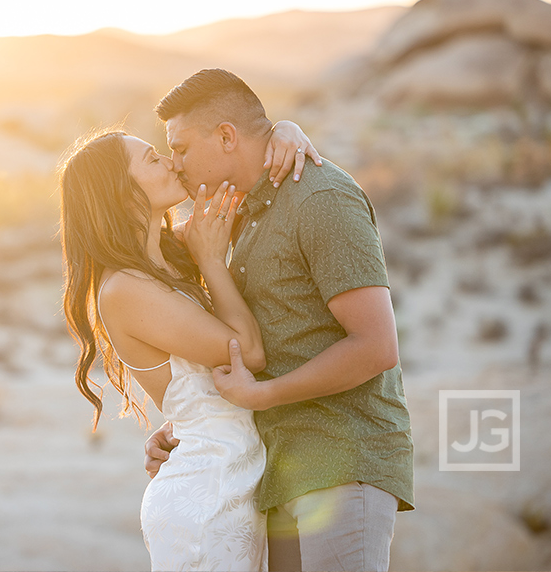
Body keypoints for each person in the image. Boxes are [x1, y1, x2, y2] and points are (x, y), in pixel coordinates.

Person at [145, 68, 414, 572]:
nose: (175, 164)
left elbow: (376, 346)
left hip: (342, 458)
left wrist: (264, 395)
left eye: (180, 148)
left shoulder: (320, 198)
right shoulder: (241, 211)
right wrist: (185, 426)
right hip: (278, 469)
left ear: (226, 136)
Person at [58, 122, 318, 571]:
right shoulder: (123, 288)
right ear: (122, 193)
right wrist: (213, 262)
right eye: (151, 159)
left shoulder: (169, 254)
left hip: (237, 482)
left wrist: (285, 130)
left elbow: (244, 178)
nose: (168, 160)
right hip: (205, 494)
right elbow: (248, 352)